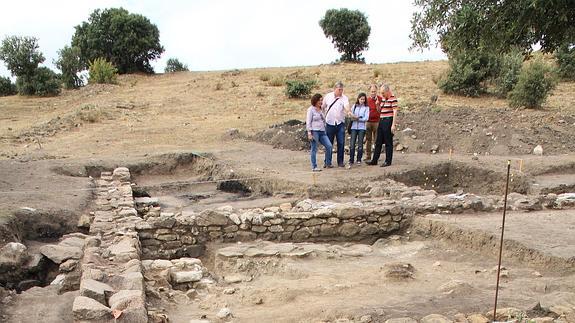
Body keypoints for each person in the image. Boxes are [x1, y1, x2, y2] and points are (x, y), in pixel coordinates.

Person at [366, 84, 399, 167]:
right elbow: (380, 111)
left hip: (388, 120)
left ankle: (388, 161)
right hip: (381, 120)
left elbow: (395, 112)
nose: (382, 95)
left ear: (388, 91)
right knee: (378, 141)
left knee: (388, 142)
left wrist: (393, 125)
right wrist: (377, 105)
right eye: (381, 93)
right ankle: (374, 160)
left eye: (383, 93)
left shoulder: (393, 98)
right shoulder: (384, 99)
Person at [321, 81, 351, 167]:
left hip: (340, 123)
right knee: (328, 143)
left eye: (342, 90)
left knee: (341, 143)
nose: (341, 92)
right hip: (329, 123)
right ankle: (327, 162)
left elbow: (346, 106)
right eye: (339, 90)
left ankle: (340, 162)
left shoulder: (344, 98)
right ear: (335, 89)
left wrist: (348, 111)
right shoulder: (328, 96)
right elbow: (322, 107)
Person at [306, 93, 333, 171]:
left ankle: (328, 163)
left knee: (329, 146)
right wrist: (309, 133)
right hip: (315, 131)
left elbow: (324, 119)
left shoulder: (321, 110)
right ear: (316, 101)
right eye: (320, 100)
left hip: (322, 131)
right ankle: (314, 166)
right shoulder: (311, 109)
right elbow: (308, 121)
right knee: (314, 148)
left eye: (322, 100)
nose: (321, 102)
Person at [347, 92, 369, 168]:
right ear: (358, 99)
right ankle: (351, 159)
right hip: (353, 127)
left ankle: (359, 159)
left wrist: (358, 118)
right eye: (361, 99)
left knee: (360, 145)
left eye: (363, 99)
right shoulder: (354, 106)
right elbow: (350, 115)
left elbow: (366, 118)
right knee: (352, 145)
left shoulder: (366, 107)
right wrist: (354, 117)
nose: (362, 100)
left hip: (361, 128)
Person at [365, 84, 382, 161]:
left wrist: (378, 105)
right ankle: (368, 156)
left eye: (374, 91)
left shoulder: (380, 99)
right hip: (368, 122)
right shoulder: (367, 100)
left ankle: (376, 157)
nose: (373, 93)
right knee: (368, 140)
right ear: (369, 92)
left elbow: (381, 111)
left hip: (377, 122)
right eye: (372, 91)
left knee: (377, 140)